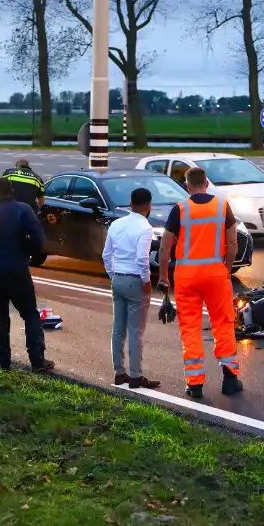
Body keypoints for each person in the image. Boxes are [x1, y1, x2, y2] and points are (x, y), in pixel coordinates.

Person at [158, 167, 242, 399]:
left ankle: (195, 385)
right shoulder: (223, 207)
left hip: (186, 276)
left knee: (191, 328)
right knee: (223, 324)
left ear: (187, 186)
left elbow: (165, 246)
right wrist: (224, 270)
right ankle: (230, 379)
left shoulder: (180, 209)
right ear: (206, 183)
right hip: (216, 273)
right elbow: (233, 243)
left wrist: (164, 275)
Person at [0, 178, 54, 373]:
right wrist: (25, 251)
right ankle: (37, 360)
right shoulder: (23, 210)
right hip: (17, 268)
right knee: (30, 313)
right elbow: (38, 241)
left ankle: (3, 360)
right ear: (11, 191)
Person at [102, 187, 161, 390]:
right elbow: (142, 259)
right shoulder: (145, 227)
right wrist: (146, 281)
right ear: (148, 206)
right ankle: (136, 376)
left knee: (118, 329)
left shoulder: (116, 224)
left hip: (117, 279)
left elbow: (106, 255)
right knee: (136, 331)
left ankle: (119, 373)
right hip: (135, 280)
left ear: (130, 203)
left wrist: (113, 274)